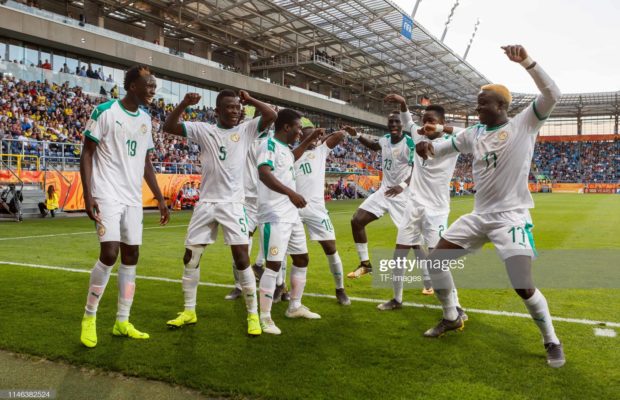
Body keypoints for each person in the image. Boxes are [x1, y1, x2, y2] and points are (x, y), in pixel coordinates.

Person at [415, 45, 565, 367]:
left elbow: (553, 93)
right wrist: (428, 147)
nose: (477, 107)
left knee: (523, 285)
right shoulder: (476, 132)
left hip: (510, 217)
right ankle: (452, 315)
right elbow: (443, 148)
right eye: (478, 103)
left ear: (501, 106)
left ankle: (551, 339)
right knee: (436, 262)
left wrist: (526, 61)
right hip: (479, 215)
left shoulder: (524, 124)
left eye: (482, 104)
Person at [162, 89, 277, 336]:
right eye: (230, 107)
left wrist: (250, 99)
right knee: (190, 257)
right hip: (206, 204)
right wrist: (184, 103)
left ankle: (253, 315)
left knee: (241, 258)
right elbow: (168, 126)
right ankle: (189, 310)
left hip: (233, 204)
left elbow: (271, 114)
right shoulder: (204, 130)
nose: (235, 112)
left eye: (237, 107)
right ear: (217, 111)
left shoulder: (245, 131)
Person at [79, 65, 169, 348]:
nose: (153, 90)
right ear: (133, 86)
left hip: (132, 198)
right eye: (149, 85)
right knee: (110, 253)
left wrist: (160, 197)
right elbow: (87, 152)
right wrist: (88, 193)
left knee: (131, 256)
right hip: (106, 193)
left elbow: (146, 162)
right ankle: (89, 316)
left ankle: (122, 321)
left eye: (155, 86)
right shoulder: (105, 111)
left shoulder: (145, 118)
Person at [376, 94, 465, 315]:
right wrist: (403, 104)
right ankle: (397, 298)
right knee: (399, 254)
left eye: (431, 120)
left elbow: (467, 134)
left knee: (439, 261)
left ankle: (456, 305)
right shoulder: (417, 134)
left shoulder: (452, 142)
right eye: (424, 119)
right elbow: (408, 121)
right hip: (413, 205)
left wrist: (442, 129)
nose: (425, 123)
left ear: (441, 122)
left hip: (436, 209)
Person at [256, 108, 325, 335]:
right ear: (287, 127)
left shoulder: (285, 149)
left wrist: (311, 139)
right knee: (274, 265)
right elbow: (264, 173)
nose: (299, 132)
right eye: (297, 128)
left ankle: (294, 306)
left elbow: (294, 156)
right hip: (274, 215)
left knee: (302, 258)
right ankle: (264, 317)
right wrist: (290, 193)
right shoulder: (268, 145)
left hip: (291, 215)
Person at [344, 113, 415, 278]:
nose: (394, 125)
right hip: (384, 192)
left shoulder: (409, 144)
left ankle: (430, 276)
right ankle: (365, 265)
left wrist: (402, 186)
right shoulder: (385, 139)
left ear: (402, 124)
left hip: (403, 196)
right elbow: (374, 145)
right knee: (357, 221)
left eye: (397, 122)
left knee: (413, 240)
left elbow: (417, 169)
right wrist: (356, 135)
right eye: (391, 122)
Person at [293, 118, 351, 305]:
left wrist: (323, 135)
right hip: (292, 209)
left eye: (314, 135)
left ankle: (340, 289)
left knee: (331, 249)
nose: (313, 138)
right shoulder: (290, 153)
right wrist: (310, 138)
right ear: (300, 135)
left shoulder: (320, 150)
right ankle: (280, 288)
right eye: (307, 134)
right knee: (287, 252)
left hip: (317, 210)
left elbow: (341, 135)